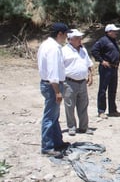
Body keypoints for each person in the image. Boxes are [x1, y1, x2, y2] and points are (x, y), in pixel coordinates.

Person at [37, 22, 72, 157]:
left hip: (49, 84)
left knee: (54, 115)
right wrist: (57, 91)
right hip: (52, 85)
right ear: (60, 34)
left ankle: (57, 142)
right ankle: (47, 146)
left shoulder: (46, 45)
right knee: (50, 117)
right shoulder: (53, 48)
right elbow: (53, 71)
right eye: (65, 35)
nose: (66, 38)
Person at [62, 29, 94, 136]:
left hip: (82, 82)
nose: (80, 40)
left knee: (83, 105)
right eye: (77, 38)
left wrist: (90, 75)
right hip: (69, 82)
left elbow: (88, 63)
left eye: (80, 38)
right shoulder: (64, 51)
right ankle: (71, 127)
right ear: (70, 39)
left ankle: (84, 127)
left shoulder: (83, 50)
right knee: (70, 105)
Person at [91, 24, 120, 118]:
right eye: (114, 31)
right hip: (106, 68)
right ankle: (101, 111)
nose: (116, 33)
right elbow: (94, 51)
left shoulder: (113, 41)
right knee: (103, 89)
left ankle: (112, 110)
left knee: (113, 89)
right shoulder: (103, 41)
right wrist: (102, 61)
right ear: (109, 32)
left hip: (114, 68)